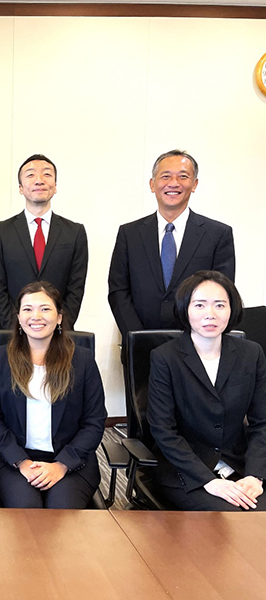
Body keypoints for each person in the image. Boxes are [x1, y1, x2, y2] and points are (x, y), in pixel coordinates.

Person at [0, 281, 107, 509]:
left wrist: (61, 465)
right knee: (28, 512)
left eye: (45, 309)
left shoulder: (83, 360)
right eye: (27, 309)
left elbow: (94, 422)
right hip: (15, 460)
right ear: (19, 317)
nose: (35, 316)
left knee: (61, 512)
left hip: (71, 461)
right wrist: (21, 461)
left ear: (59, 317)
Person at [147, 270, 266, 511]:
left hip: (239, 464)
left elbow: (262, 422)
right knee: (231, 519)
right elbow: (163, 430)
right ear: (185, 309)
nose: (210, 314)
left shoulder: (251, 354)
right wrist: (208, 481)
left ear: (231, 309)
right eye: (199, 305)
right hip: (185, 469)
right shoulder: (165, 357)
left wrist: (255, 475)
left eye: (219, 305)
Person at [108, 150, 235, 342]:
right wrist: (139, 337)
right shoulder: (129, 233)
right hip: (140, 345)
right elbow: (118, 290)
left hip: (197, 344)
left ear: (194, 184)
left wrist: (194, 336)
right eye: (165, 176)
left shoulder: (218, 234)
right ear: (152, 184)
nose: (173, 183)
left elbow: (221, 293)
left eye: (183, 176)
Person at [0, 154, 87, 330]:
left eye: (47, 175)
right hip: (10, 333)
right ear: (20, 187)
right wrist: (17, 326)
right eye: (31, 175)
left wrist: (59, 326)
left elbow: (75, 288)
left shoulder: (75, 232)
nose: (39, 180)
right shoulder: (0, 232)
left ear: (55, 186)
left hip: (59, 335)